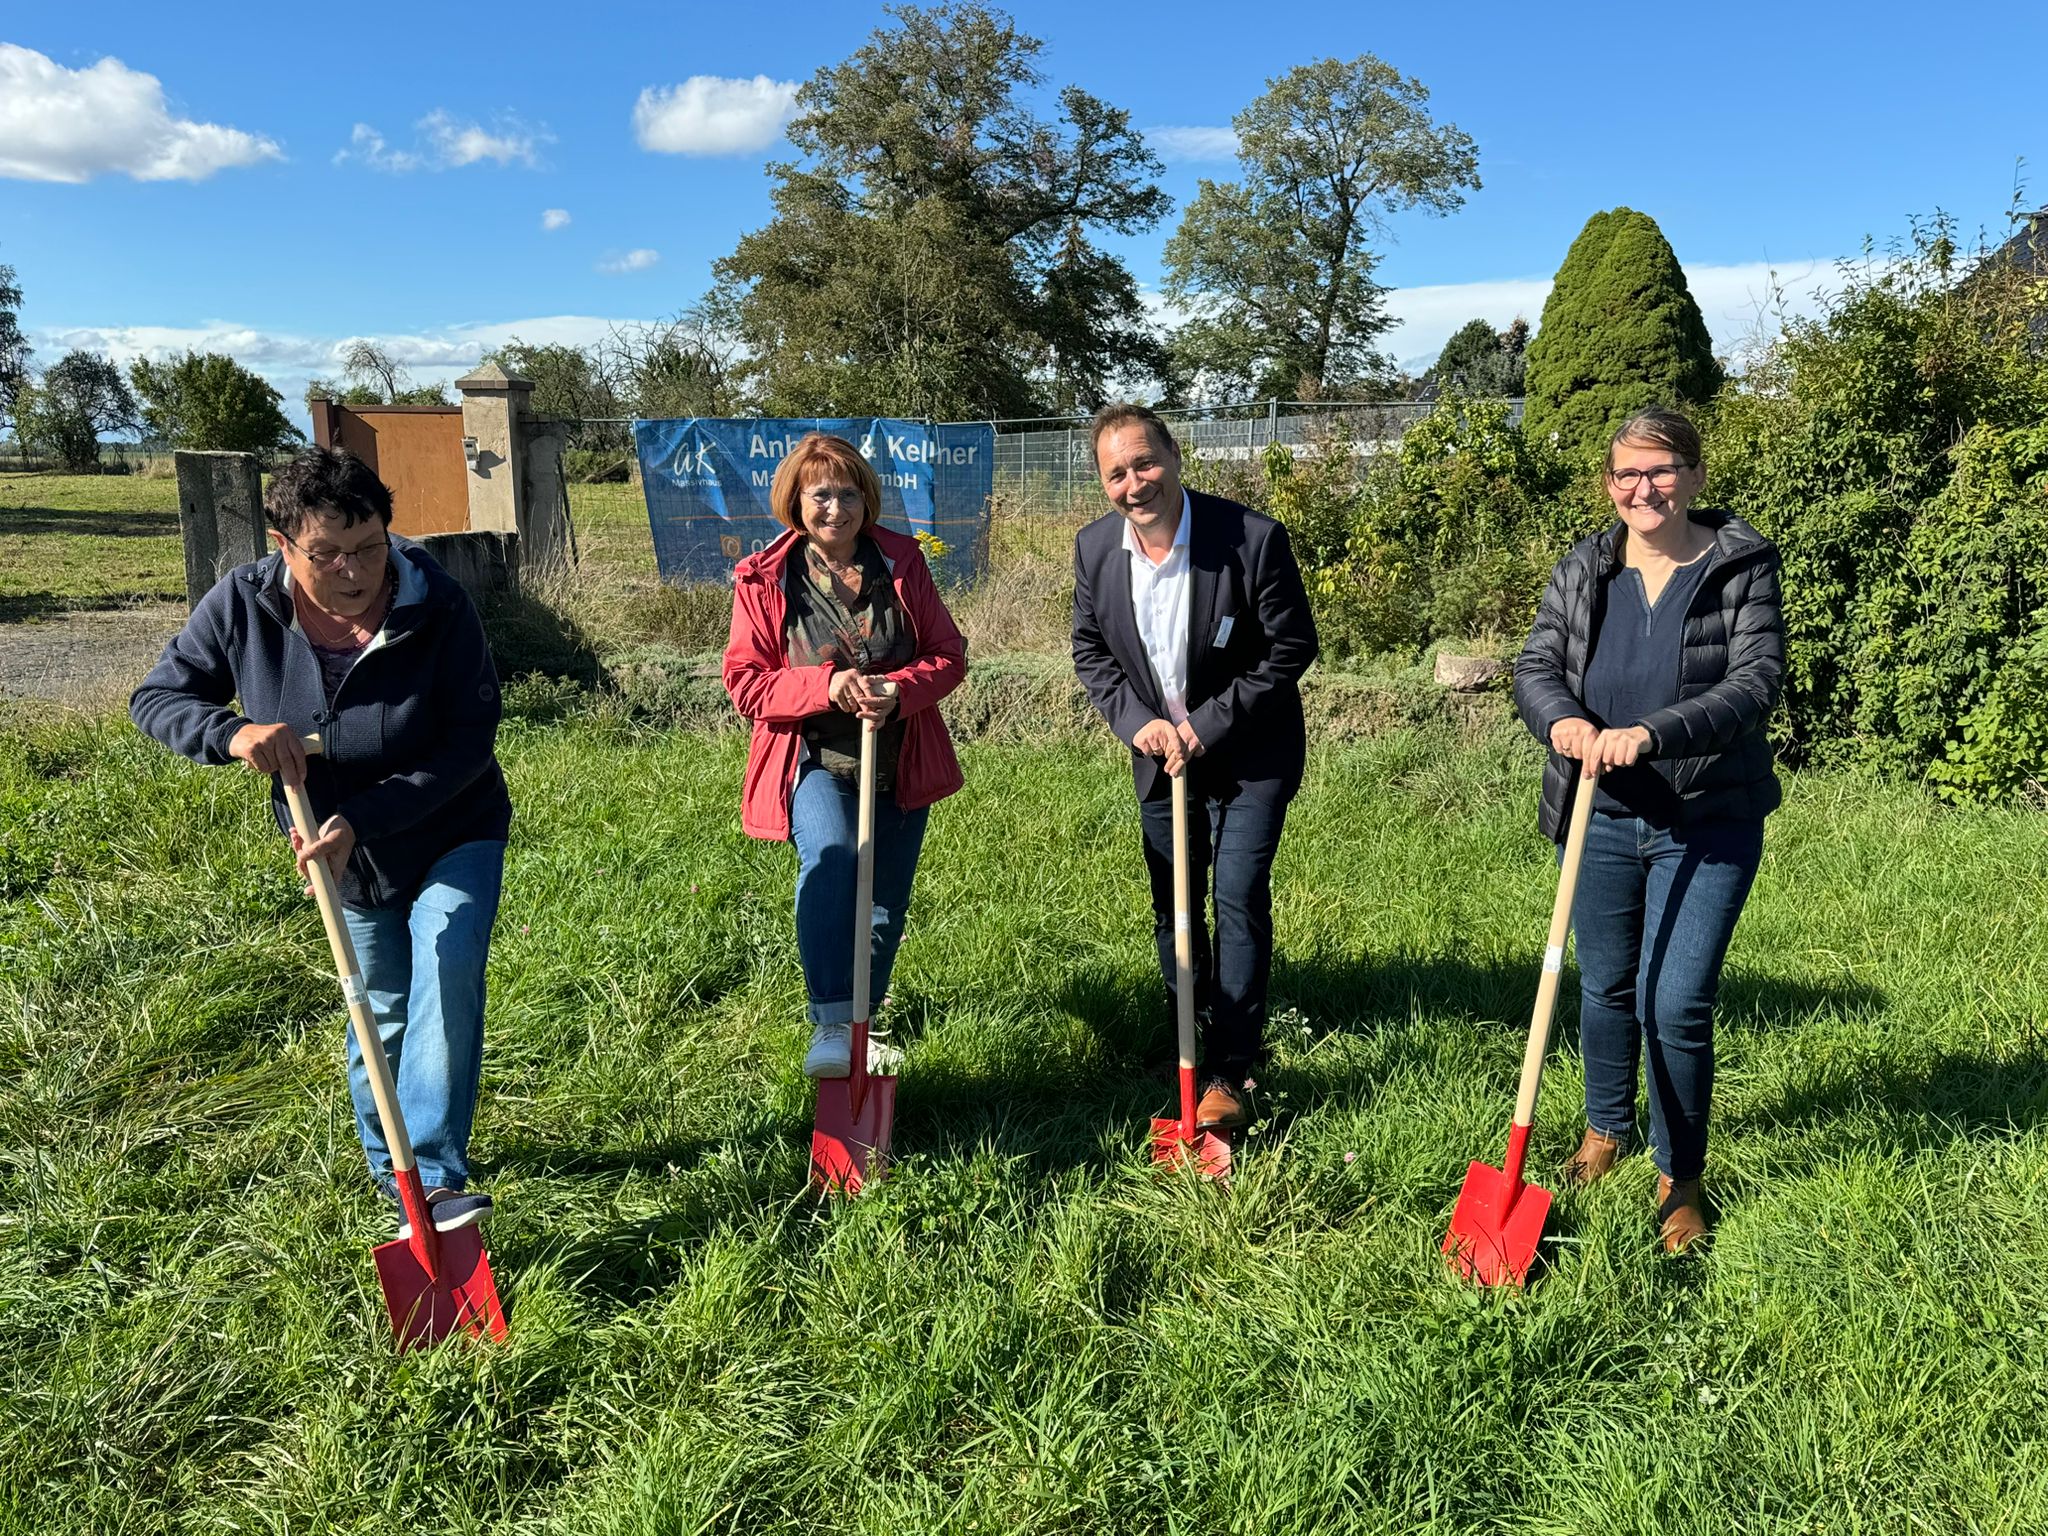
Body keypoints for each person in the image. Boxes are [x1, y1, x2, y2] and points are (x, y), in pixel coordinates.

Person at [131, 446, 512, 1239]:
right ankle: (392, 1174)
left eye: (370, 548)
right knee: (378, 1004)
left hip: (449, 823)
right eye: (327, 554)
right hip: (332, 845)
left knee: (447, 958)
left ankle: (435, 1183)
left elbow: (468, 743)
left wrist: (365, 818)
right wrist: (231, 733)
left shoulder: (436, 604)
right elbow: (159, 697)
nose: (353, 571)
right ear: (283, 546)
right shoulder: (243, 603)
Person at [1513, 406, 1784, 1252]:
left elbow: (1755, 681)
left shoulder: (1740, 565)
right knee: (1605, 986)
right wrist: (1561, 721)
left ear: (1696, 476)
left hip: (1707, 819)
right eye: (1627, 473)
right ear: (1609, 484)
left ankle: (1681, 1174)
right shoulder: (1585, 567)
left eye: (1663, 469)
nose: (1645, 487)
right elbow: (1537, 666)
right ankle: (1604, 1127)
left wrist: (1653, 733)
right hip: (1598, 815)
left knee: (1676, 1000)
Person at [1071, 403, 1319, 1130]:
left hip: (1249, 755)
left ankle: (1232, 1068)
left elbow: (1289, 648)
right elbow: (1090, 652)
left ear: (1175, 457)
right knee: (1175, 903)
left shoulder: (1250, 539)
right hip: (1159, 760)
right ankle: (1189, 1036)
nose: (1133, 483)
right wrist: (1142, 724)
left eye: (1144, 463)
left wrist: (1200, 728)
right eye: (1115, 473)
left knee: (1237, 893)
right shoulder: (1093, 550)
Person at [722, 432, 968, 1078]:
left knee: (885, 899)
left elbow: (947, 655)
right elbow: (746, 683)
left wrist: (899, 690)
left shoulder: (903, 564)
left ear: (867, 499)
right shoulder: (766, 578)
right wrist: (825, 686)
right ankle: (832, 1022)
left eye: (849, 493)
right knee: (832, 865)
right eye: (820, 494)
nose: (836, 507)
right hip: (811, 758)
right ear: (796, 503)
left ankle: (866, 1019)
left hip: (900, 755)